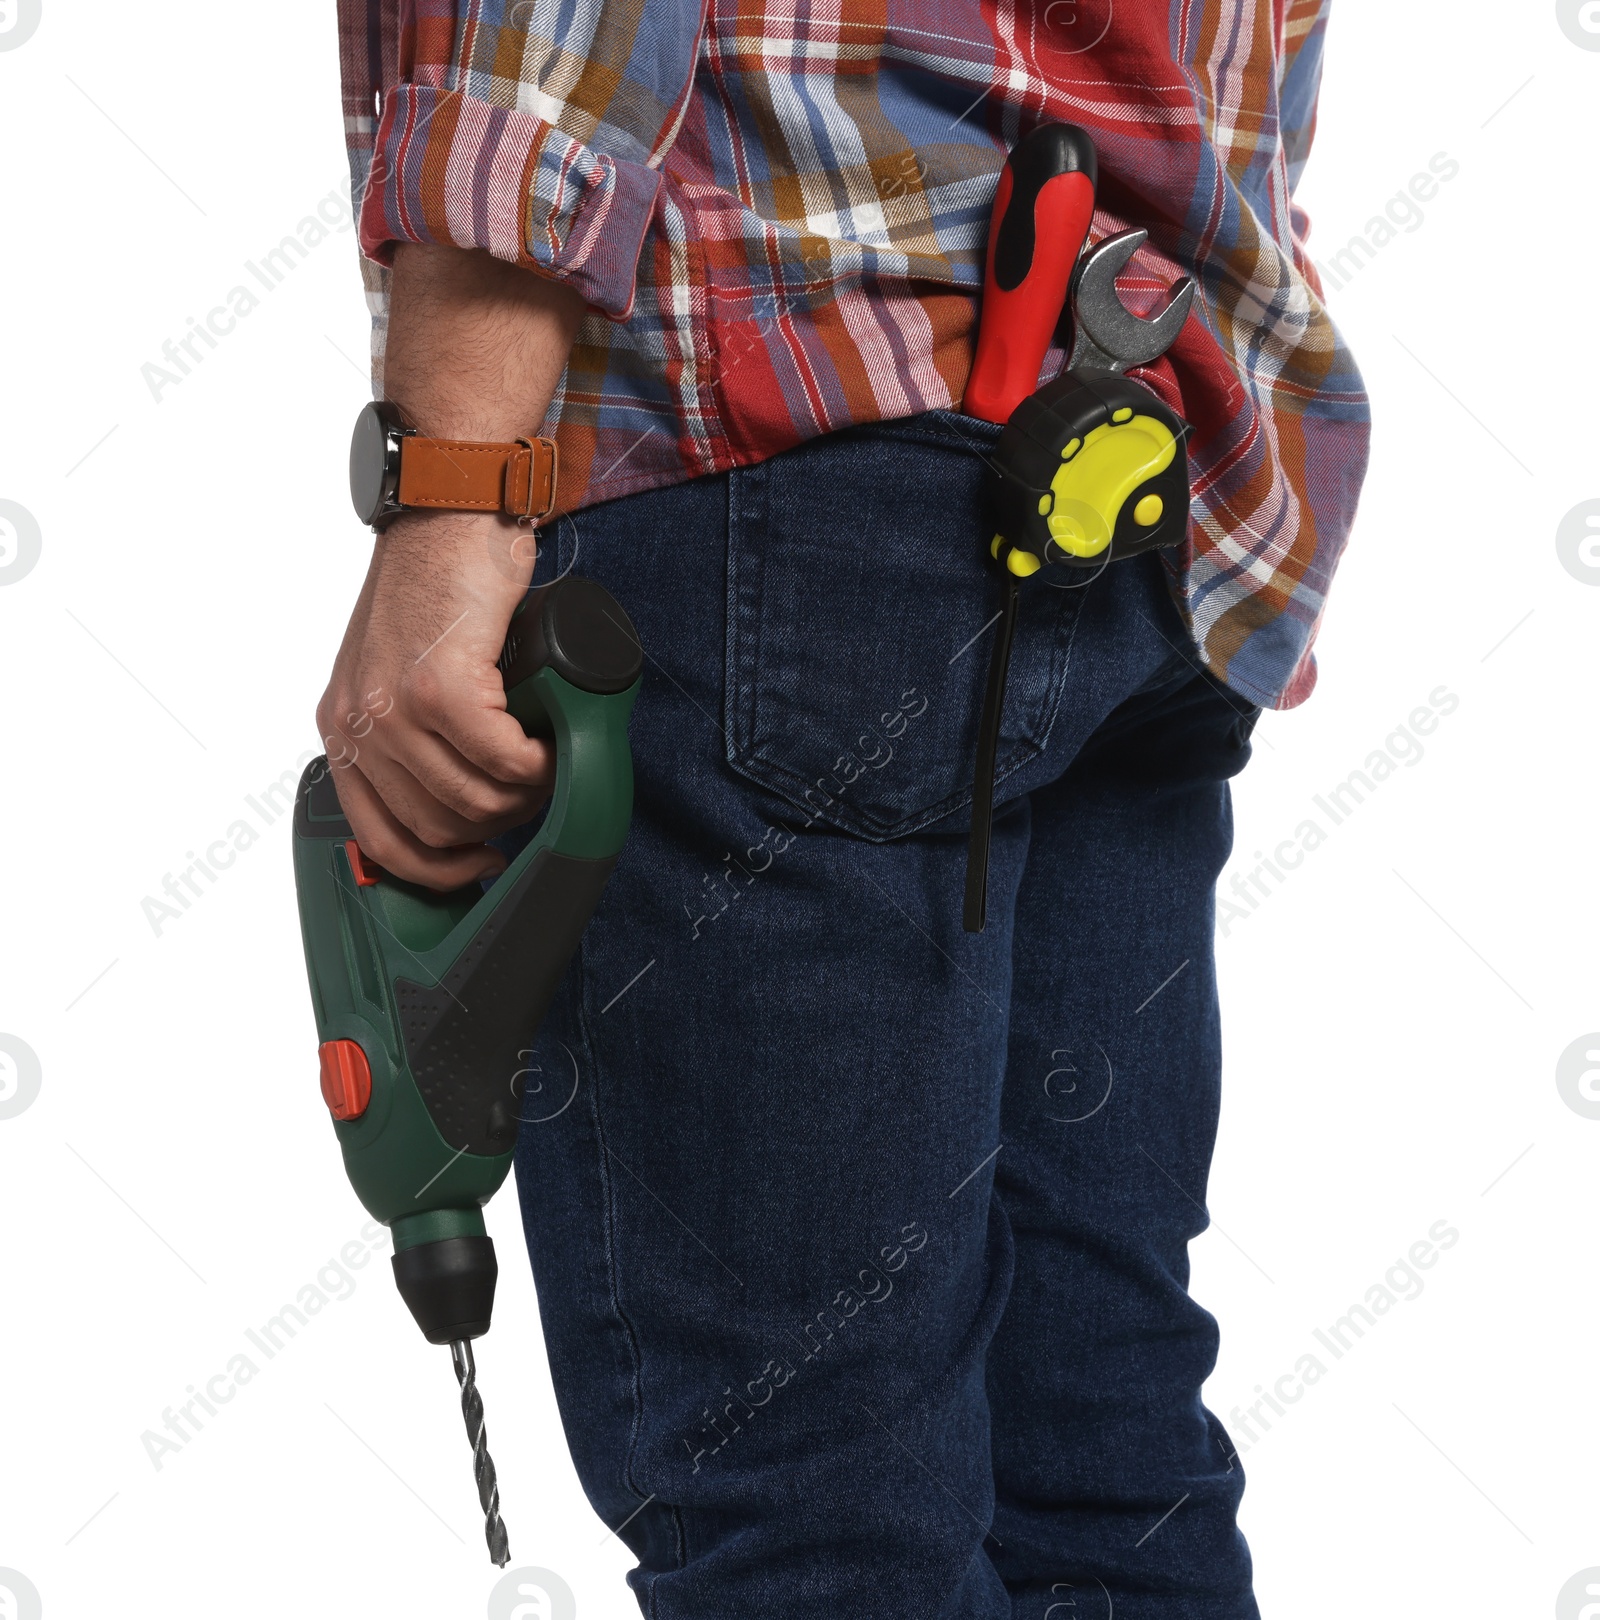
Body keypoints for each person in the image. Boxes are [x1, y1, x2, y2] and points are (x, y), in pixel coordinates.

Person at [319, 2, 1368, 1614]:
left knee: (815, 1515)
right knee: (1098, 1470)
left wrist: (456, 491)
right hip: (1156, 496)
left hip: (788, 475)